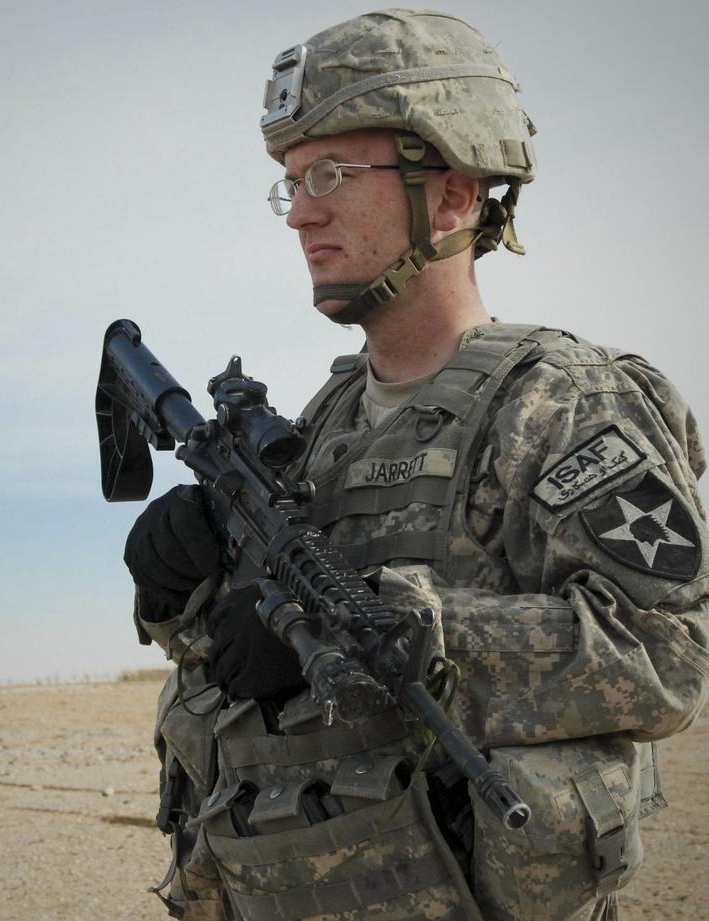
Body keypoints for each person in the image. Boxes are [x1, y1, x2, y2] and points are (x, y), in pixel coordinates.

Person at [121, 10, 709, 921]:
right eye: (289, 185)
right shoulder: (316, 428)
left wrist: (390, 629)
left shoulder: (562, 402)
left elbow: (666, 653)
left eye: (331, 174)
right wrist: (179, 593)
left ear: (453, 194)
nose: (303, 211)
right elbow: (256, 669)